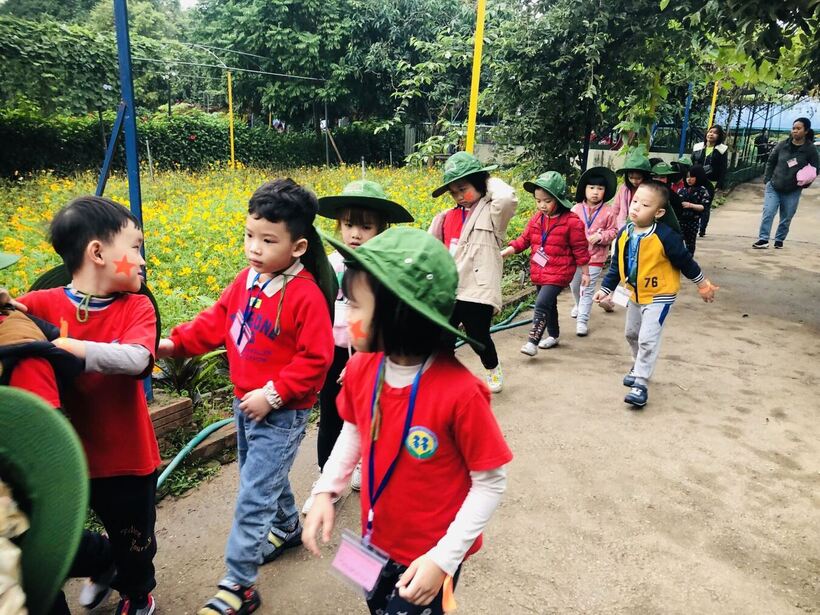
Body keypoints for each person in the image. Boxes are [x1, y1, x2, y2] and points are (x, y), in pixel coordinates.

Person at [303, 227, 513, 615]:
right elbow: (355, 429)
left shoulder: (460, 394)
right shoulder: (362, 368)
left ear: (398, 314)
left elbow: (490, 482)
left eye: (355, 305)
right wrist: (325, 490)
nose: (345, 315)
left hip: (430, 554)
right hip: (374, 536)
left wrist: (444, 559)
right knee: (376, 605)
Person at [157, 179, 335, 615]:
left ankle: (239, 585)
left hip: (281, 411)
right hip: (245, 403)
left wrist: (272, 396)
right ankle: (288, 526)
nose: (254, 247)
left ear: (298, 247)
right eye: (249, 235)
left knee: (254, 494)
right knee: (263, 477)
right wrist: (173, 344)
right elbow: (216, 321)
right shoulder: (247, 280)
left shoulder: (305, 295)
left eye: (268, 240)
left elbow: (317, 358)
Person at [4, 196, 160, 615]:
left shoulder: (137, 306)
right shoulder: (41, 304)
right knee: (61, 533)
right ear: (97, 253)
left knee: (134, 539)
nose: (143, 260)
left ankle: (138, 594)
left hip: (127, 460)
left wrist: (70, 346)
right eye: (135, 247)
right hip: (67, 462)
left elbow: (138, 359)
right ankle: (103, 567)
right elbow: (12, 320)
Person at [303, 179, 414, 515]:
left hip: (369, 353)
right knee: (330, 414)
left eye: (366, 227)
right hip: (332, 354)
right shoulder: (329, 266)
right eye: (349, 224)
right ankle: (326, 480)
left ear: (381, 230)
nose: (355, 234)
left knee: (368, 412)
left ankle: (363, 462)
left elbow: (386, 321)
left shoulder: (385, 270)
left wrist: (363, 359)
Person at [593, 183, 718, 408]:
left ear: (658, 212)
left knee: (647, 338)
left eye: (645, 205)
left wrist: (702, 285)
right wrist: (605, 289)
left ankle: (640, 383)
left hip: (660, 295)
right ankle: (637, 365)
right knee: (631, 334)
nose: (636, 207)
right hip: (635, 294)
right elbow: (616, 266)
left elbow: (686, 262)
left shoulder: (666, 236)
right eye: (635, 202)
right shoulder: (624, 233)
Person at [429, 151, 518, 393]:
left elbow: (507, 199)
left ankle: (492, 366)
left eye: (463, 189)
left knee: (478, 337)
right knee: (443, 337)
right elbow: (433, 250)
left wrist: (486, 179)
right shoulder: (446, 217)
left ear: (479, 184)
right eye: (454, 192)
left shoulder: (492, 214)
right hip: (451, 287)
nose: (460, 196)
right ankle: (445, 377)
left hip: (478, 288)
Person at [500, 171, 590, 354]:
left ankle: (532, 342)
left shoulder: (572, 222)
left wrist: (586, 273)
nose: (542, 205)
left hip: (560, 271)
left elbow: (580, 249)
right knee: (549, 304)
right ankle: (553, 336)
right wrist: (508, 251)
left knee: (541, 303)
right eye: (538, 200)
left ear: (558, 199)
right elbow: (524, 239)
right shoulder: (536, 219)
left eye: (547, 201)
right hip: (540, 270)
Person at [753, 118, 819, 249]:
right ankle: (763, 239)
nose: (795, 131)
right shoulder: (782, 145)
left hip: (793, 189)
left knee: (787, 216)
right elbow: (771, 161)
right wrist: (767, 179)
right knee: (768, 212)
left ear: (806, 131)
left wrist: (805, 183)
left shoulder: (810, 149)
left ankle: (779, 239)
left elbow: (816, 168)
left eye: (798, 128)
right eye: (793, 128)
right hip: (774, 185)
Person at [569, 167, 619, 336]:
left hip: (596, 257)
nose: (595, 192)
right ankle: (578, 304)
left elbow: (614, 231)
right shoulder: (575, 209)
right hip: (575, 257)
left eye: (600, 188)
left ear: (605, 191)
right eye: (591, 188)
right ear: (584, 189)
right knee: (575, 286)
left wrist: (601, 236)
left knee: (588, 288)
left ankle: (582, 320)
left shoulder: (609, 211)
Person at [691, 124, 728, 237]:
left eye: (715, 133)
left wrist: (720, 184)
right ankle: (693, 226)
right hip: (697, 180)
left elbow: (723, 168)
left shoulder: (722, 150)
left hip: (711, 181)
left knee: (705, 205)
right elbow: (692, 164)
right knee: (694, 203)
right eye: (710, 131)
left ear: (719, 136)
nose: (711, 134)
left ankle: (702, 229)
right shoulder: (698, 147)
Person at [676, 165, 711, 255]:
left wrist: (690, 205)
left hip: (693, 221)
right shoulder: (682, 190)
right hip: (680, 220)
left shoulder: (702, 190)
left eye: (692, 177)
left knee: (690, 243)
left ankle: (688, 259)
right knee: (677, 241)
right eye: (687, 177)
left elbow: (703, 206)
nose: (689, 179)